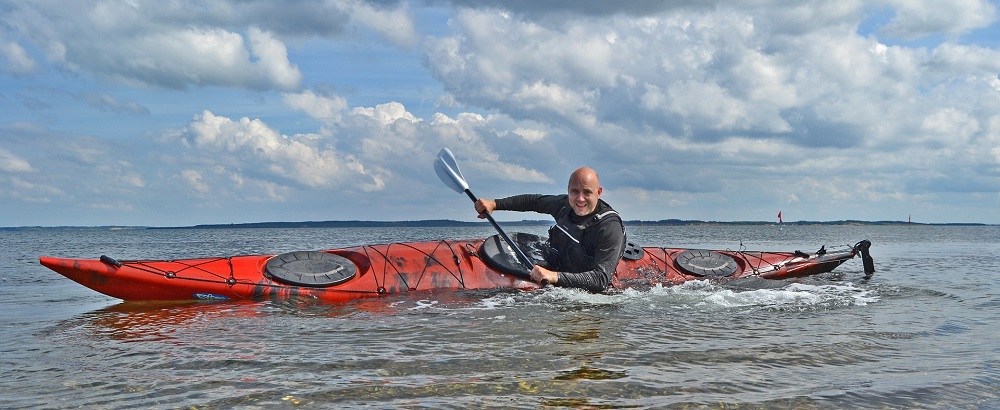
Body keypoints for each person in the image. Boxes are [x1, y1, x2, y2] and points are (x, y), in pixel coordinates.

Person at [474, 167, 626, 292]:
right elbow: (534, 202)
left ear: (598, 192)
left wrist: (554, 277)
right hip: (562, 263)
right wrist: (494, 204)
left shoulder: (610, 227)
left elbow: (600, 279)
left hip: (591, 290)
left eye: (587, 192)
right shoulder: (564, 205)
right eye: (574, 192)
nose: (580, 199)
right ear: (568, 191)